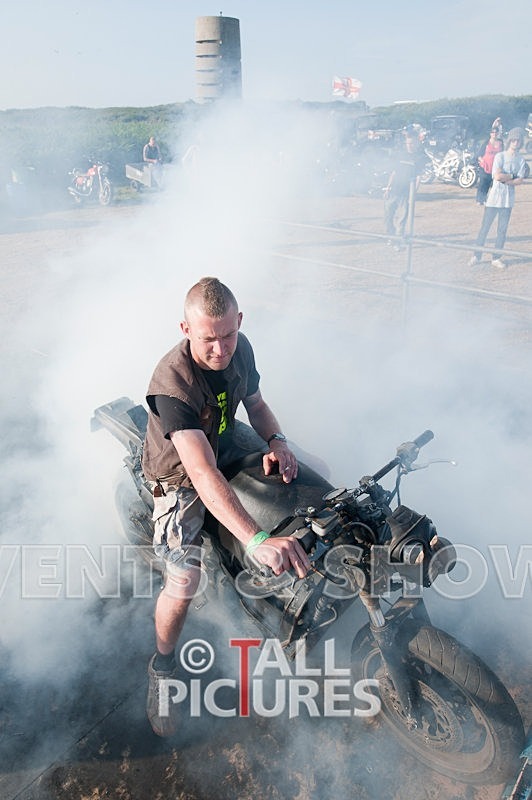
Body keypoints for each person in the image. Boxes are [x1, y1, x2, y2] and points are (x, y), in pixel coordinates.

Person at [141, 277, 311, 736]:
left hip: (223, 438)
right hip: (180, 474)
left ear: (240, 322)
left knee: (314, 475)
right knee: (184, 579)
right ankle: (162, 667)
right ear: (185, 330)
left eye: (228, 335)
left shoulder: (241, 348)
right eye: (207, 339)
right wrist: (257, 538)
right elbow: (200, 473)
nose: (220, 349)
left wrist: (277, 441)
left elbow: (255, 404)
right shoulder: (172, 383)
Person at [468, 128, 528, 270]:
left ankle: (496, 257)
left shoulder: (521, 160)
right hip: (494, 198)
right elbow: (497, 176)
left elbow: (520, 180)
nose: (515, 142)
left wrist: (508, 179)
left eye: (518, 140)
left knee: (502, 230)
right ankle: (476, 255)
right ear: (509, 141)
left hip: (508, 200)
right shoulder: (500, 156)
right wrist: (512, 176)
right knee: (485, 228)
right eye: (513, 140)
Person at [383, 126, 426, 250]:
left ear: (416, 144)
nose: (409, 146)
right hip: (393, 191)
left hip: (406, 194)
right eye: (408, 143)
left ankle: (397, 242)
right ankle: (390, 237)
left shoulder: (418, 158)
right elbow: (394, 172)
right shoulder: (400, 155)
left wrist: (413, 194)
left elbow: (418, 178)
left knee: (401, 220)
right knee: (387, 217)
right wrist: (388, 188)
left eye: (412, 143)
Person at [475, 127, 503, 205]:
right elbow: (479, 154)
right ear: (490, 134)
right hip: (485, 166)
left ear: (498, 133)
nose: (494, 134)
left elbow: (502, 154)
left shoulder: (501, 143)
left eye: (496, 132)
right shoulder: (486, 143)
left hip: (495, 167)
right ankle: (479, 199)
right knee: (483, 183)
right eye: (493, 132)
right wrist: (482, 161)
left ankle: (488, 199)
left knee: (493, 184)